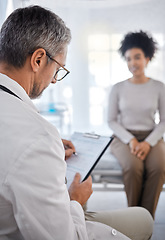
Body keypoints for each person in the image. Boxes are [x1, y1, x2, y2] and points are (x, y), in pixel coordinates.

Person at [0, 6, 153, 240]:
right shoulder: (38, 135)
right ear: (39, 59)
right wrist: (75, 200)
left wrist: (46, 153)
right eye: (58, 69)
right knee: (144, 221)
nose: (53, 80)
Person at [108, 30, 165, 219]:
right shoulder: (118, 88)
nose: (133, 63)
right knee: (134, 167)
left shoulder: (159, 87)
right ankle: (133, 219)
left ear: (147, 58)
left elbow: (164, 121)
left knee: (159, 167)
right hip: (123, 138)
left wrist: (148, 142)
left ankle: (145, 221)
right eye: (129, 59)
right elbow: (112, 120)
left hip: (151, 136)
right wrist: (131, 140)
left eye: (137, 57)